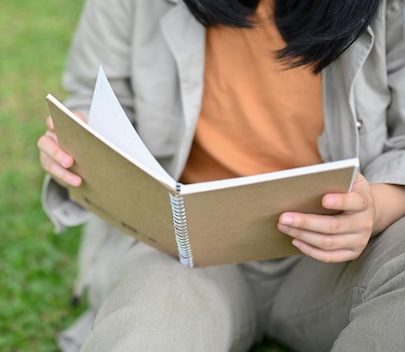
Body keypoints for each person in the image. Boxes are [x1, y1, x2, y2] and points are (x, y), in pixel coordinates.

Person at [37, 0, 405, 350]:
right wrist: (79, 141)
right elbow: (93, 96)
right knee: (150, 320)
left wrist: (374, 209)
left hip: (346, 256)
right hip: (186, 253)